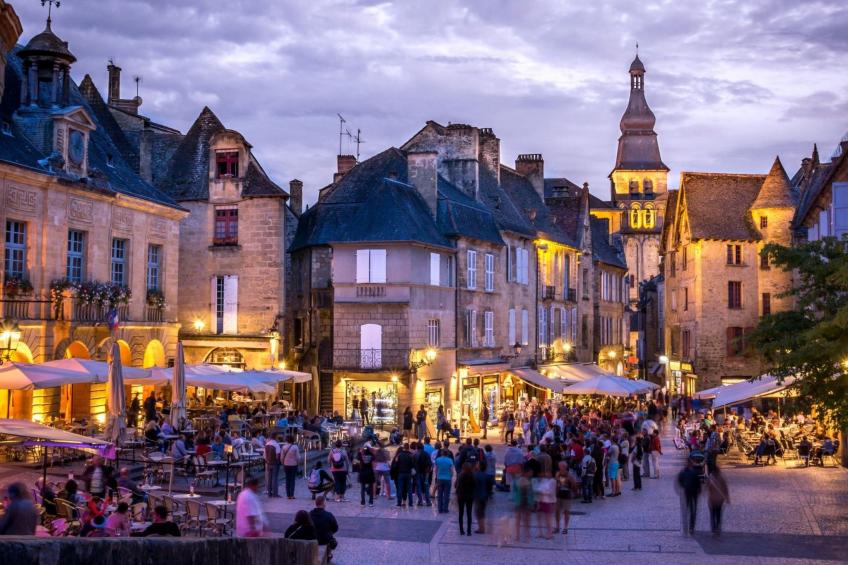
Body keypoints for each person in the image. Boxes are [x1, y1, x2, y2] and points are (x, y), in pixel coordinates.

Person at [676, 459, 702, 536]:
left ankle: (686, 525)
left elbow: (680, 480)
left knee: (687, 508)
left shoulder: (683, 472)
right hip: (694, 493)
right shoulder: (694, 473)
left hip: (687, 492)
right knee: (693, 510)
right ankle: (691, 526)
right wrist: (699, 490)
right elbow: (698, 483)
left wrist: (684, 486)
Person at [310, 495, 339, 559]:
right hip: (324, 539)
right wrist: (329, 532)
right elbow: (335, 528)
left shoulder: (309, 514)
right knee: (331, 539)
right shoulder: (329, 515)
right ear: (324, 503)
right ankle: (328, 554)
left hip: (312, 538)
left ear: (316, 503)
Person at [706, 464, 730, 536]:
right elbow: (725, 488)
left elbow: (707, 487)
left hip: (712, 499)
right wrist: (727, 497)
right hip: (720, 499)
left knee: (713, 514)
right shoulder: (722, 478)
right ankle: (717, 528)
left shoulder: (710, 478)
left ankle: (714, 528)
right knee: (718, 514)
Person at [555, 461, 578, 534]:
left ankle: (565, 527)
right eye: (559, 466)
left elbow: (574, 484)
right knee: (557, 511)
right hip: (559, 495)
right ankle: (557, 527)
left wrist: (574, 491)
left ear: (565, 467)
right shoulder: (557, 474)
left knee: (566, 512)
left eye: (561, 466)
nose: (560, 468)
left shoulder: (569, 475)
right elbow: (556, 483)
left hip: (567, 495)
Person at [391, 443, 415, 507]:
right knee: (409, 489)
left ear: (404, 447)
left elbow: (395, 466)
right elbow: (413, 465)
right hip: (408, 473)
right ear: (408, 447)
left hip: (401, 473)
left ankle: (399, 503)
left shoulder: (399, 455)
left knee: (400, 488)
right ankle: (410, 503)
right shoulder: (411, 455)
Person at [455, 462, 475, 536]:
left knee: (461, 513)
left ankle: (461, 530)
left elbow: (457, 486)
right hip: (469, 496)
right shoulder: (472, 476)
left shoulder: (460, 475)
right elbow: (474, 486)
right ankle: (469, 531)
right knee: (469, 513)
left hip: (461, 496)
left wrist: (457, 494)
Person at [280, 435, 300, 500]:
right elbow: (298, 457)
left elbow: (281, 457)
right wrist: (297, 462)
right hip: (293, 464)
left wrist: (283, 463)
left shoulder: (284, 447)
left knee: (287, 479)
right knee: (292, 480)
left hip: (286, 464)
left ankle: (288, 495)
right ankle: (292, 495)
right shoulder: (295, 447)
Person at [434, 448, 454, 514]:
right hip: (447, 479)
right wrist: (450, 476)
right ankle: (445, 508)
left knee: (439, 494)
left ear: (441, 453)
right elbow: (451, 471)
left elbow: (436, 470)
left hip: (440, 478)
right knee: (446, 494)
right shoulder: (450, 460)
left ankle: (440, 509)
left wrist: (437, 476)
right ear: (447, 454)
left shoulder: (438, 460)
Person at [473, 461, 489, 533]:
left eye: (477, 464)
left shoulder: (476, 475)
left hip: (478, 496)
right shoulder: (486, 475)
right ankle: (482, 527)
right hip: (484, 496)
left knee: (478, 512)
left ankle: (481, 528)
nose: (476, 465)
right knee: (481, 512)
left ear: (480, 466)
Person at [264, 433, 281, 498]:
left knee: (269, 478)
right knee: (274, 478)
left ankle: (269, 493)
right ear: (275, 437)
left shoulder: (266, 444)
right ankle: (275, 493)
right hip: (275, 463)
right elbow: (277, 456)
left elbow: (264, 456)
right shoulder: (276, 445)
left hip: (268, 463)